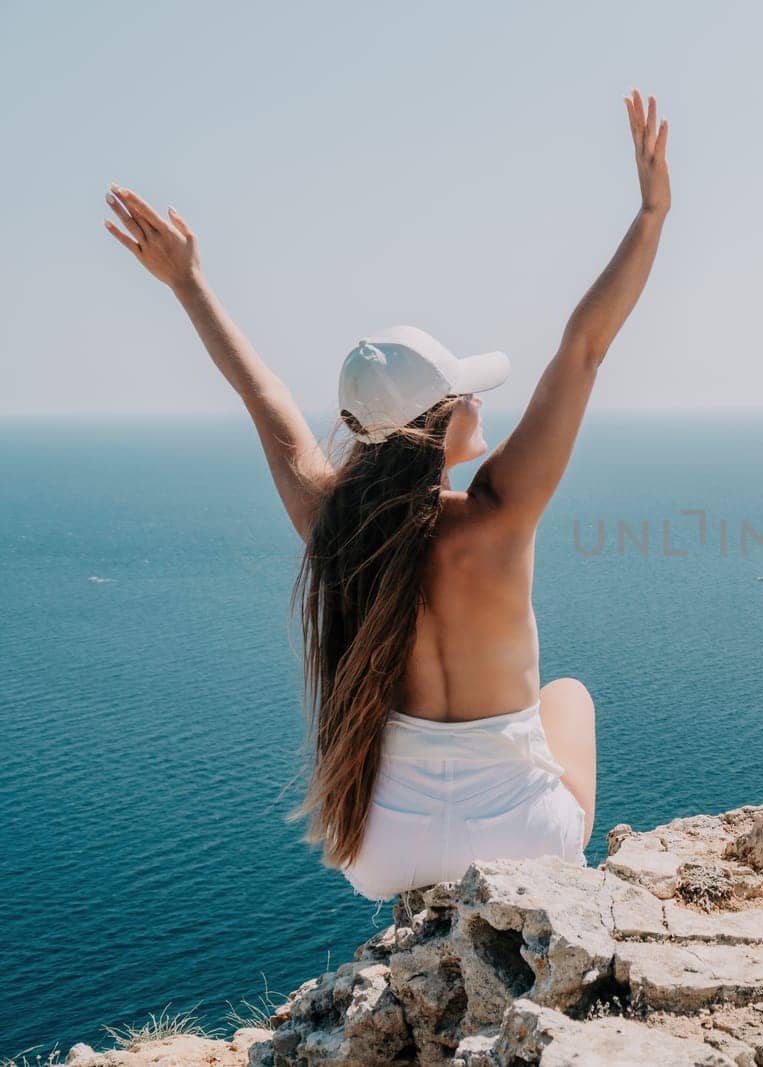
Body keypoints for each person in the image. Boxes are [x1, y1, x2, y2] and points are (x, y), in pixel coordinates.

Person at [103, 90, 671, 899]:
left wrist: (189, 284)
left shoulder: (335, 527)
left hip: (381, 849)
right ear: (439, 425)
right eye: (469, 395)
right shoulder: (500, 514)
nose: (481, 405)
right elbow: (583, 350)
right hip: (520, 842)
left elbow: (259, 397)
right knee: (567, 696)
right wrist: (651, 213)